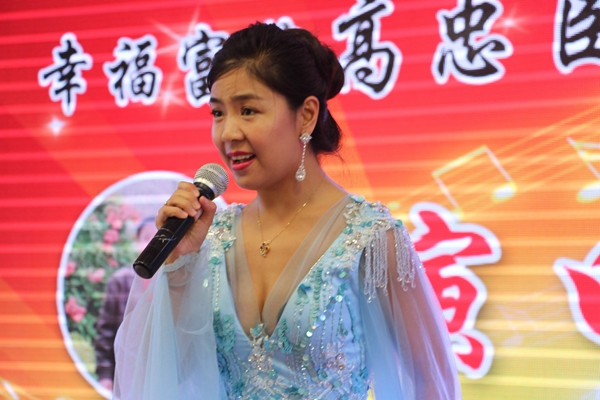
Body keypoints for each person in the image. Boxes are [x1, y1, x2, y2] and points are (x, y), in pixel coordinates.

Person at [113, 23, 461, 400]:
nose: (228, 133)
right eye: (217, 113)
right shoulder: (209, 236)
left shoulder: (372, 239)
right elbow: (159, 377)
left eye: (248, 110)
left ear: (306, 115)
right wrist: (180, 264)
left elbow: (430, 383)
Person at [94, 217, 156, 391]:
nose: (152, 244)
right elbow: (106, 332)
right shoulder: (120, 280)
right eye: (146, 238)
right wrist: (105, 375)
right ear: (137, 242)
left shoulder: (176, 280)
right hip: (125, 373)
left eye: (157, 238)